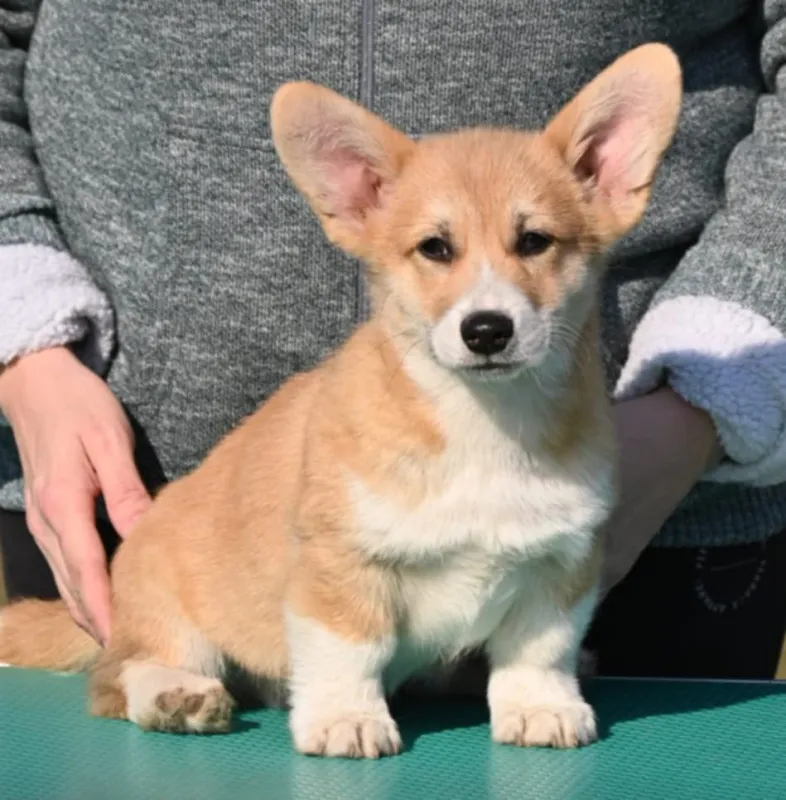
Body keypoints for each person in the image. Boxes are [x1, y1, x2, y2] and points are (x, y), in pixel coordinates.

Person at [0, 1, 784, 680]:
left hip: (653, 498)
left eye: (531, 242)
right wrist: (23, 333)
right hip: (135, 496)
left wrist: (711, 393)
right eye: (440, 252)